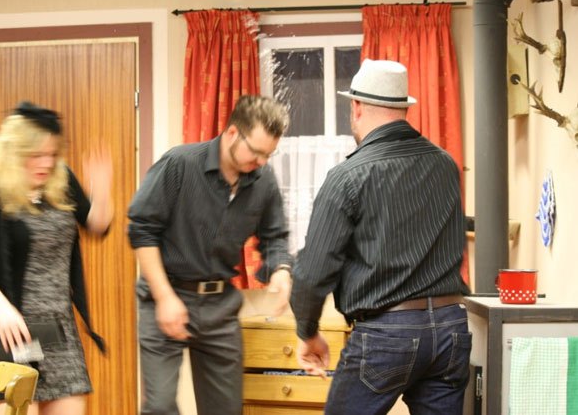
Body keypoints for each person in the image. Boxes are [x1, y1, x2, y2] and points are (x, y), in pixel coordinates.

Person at [290, 59, 471, 415]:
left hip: (387, 334)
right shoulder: (445, 165)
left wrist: (307, 331)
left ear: (356, 107)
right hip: (451, 328)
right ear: (404, 108)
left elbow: (313, 272)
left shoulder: (347, 177)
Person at [128, 95, 294, 415]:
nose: (261, 162)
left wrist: (281, 270)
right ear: (232, 133)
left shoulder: (263, 181)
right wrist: (165, 297)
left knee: (225, 410)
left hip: (220, 305)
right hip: (165, 295)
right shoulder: (179, 164)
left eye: (268, 154)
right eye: (256, 152)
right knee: (160, 407)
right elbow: (142, 230)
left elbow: (275, 237)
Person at [0, 101, 113, 415]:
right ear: (14, 152)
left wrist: (102, 191)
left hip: (59, 330)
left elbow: (97, 226)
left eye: (52, 154)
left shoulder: (61, 181)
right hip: (15, 331)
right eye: (36, 155)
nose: (46, 163)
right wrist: (3, 310)